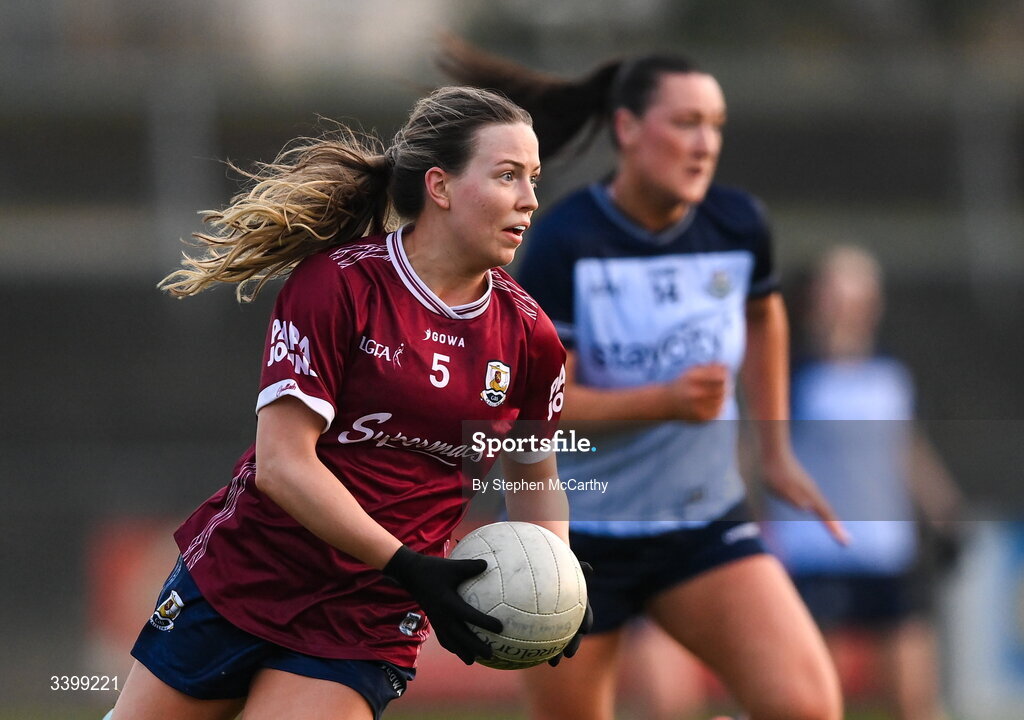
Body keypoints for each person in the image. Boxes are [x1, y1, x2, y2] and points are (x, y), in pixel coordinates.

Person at [106, 85, 587, 720]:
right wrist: (411, 564)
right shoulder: (339, 286)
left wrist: (558, 584)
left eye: (533, 178)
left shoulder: (530, 337)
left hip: (368, 616)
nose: (529, 199)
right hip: (246, 578)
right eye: (506, 176)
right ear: (440, 187)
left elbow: (532, 477)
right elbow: (282, 464)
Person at [439, 38, 845, 720]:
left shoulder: (736, 223)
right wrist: (663, 401)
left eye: (715, 125)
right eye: (685, 123)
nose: (704, 143)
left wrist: (774, 451)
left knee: (807, 708)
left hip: (701, 526)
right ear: (628, 130)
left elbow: (766, 312)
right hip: (577, 538)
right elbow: (538, 412)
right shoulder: (567, 238)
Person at [765, 245, 962, 720]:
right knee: (816, 696)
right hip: (814, 550)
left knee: (914, 693)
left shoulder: (891, 372)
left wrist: (946, 510)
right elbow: (758, 454)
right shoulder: (792, 372)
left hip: (886, 549)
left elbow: (906, 448)